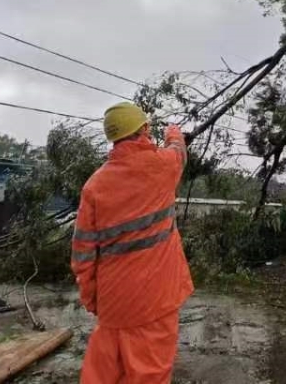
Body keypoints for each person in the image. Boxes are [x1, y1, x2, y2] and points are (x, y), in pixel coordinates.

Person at [71, 102, 194, 384]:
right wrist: (174, 133)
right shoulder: (162, 166)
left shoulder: (95, 185)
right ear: (145, 129)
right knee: (149, 373)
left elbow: (83, 253)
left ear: (113, 137)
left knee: (104, 373)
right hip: (156, 298)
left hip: (113, 300)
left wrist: (92, 298)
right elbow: (178, 153)